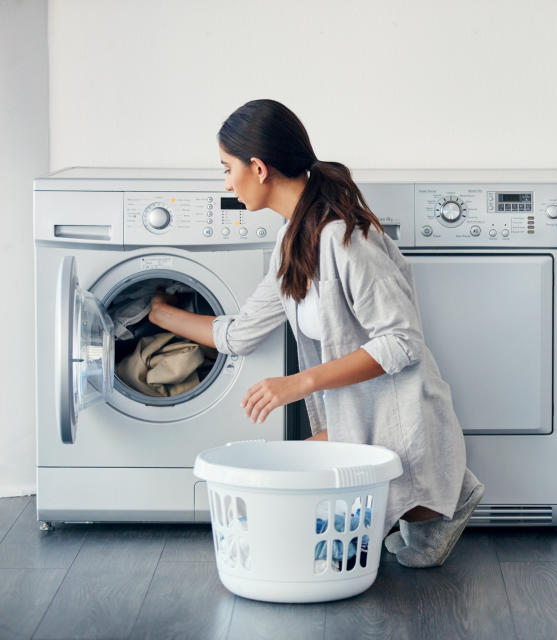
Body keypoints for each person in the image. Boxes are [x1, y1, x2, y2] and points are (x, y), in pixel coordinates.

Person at [148, 98, 484, 568]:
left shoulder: (347, 239)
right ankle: (432, 498)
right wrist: (159, 313)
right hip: (354, 422)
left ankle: (444, 498)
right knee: (283, 513)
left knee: (295, 523)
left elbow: (402, 341)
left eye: (227, 169)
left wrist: (299, 383)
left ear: (259, 168)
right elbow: (240, 333)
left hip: (396, 418)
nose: (226, 183)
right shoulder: (292, 242)